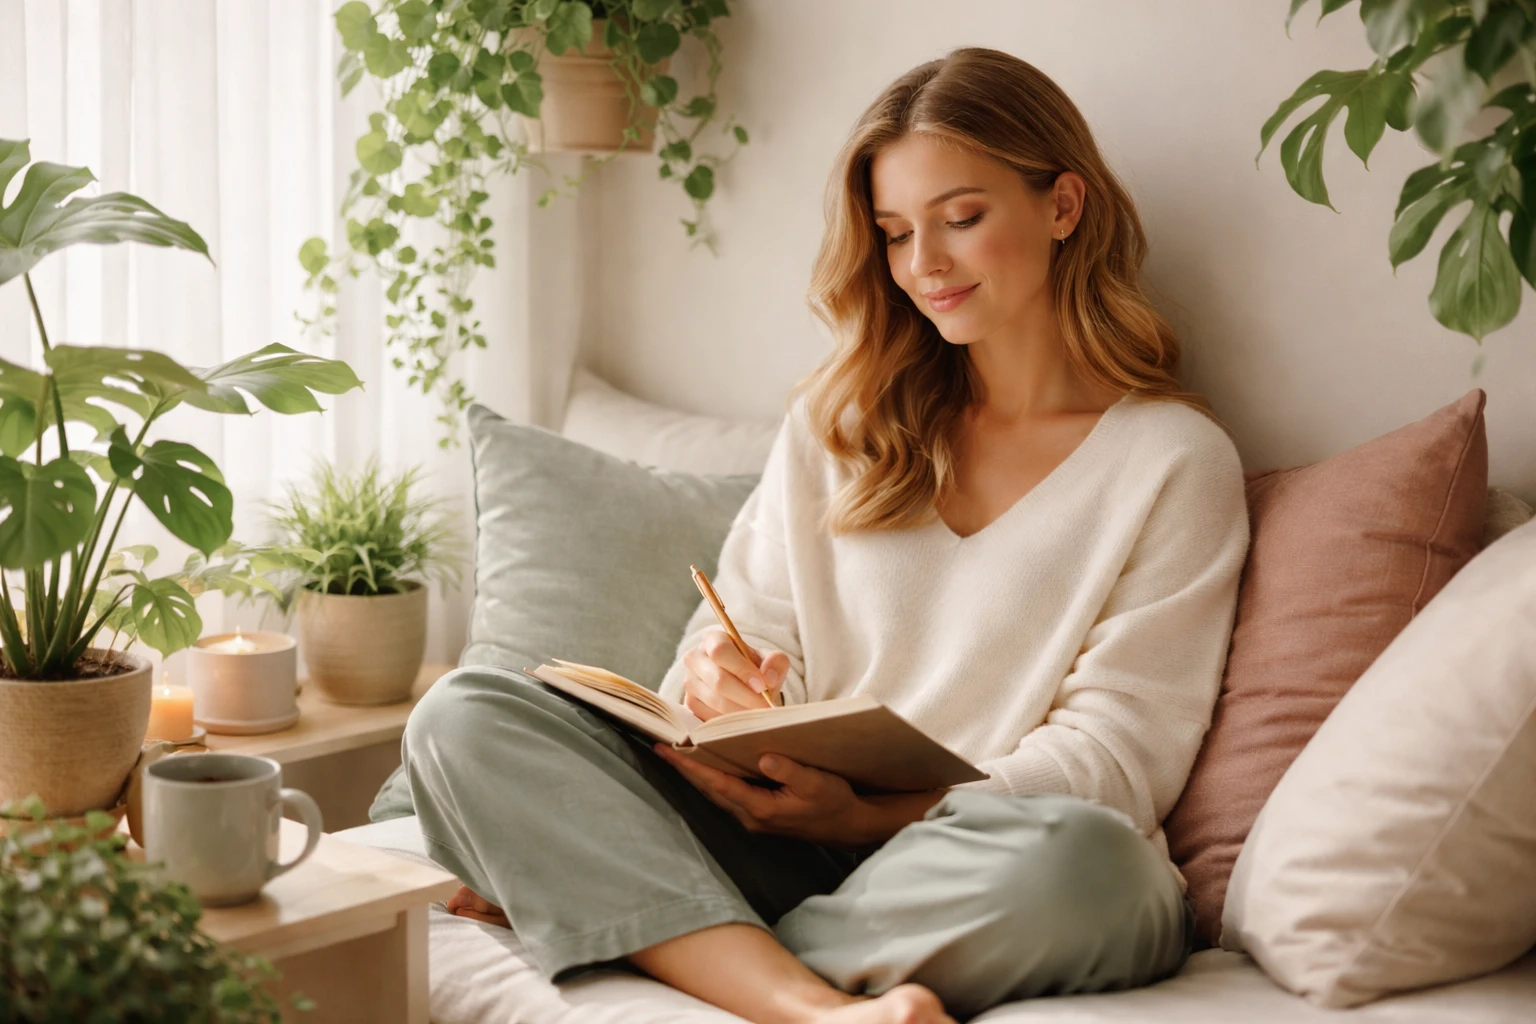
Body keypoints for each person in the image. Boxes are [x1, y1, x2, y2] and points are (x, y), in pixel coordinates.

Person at [406, 47, 1250, 1024]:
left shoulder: (1173, 460)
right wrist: (724, 686)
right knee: (462, 716)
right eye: (895, 234)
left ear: (1063, 205)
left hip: (991, 862)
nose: (923, 265)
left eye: (961, 218)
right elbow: (733, 641)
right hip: (789, 841)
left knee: (1093, 866)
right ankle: (810, 1007)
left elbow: (1119, 757)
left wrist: (875, 816)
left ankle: (637, 917)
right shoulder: (837, 422)